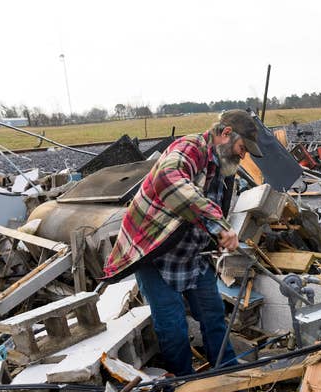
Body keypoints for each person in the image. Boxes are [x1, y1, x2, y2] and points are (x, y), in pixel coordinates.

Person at [102, 109, 263, 376]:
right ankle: (184, 382)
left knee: (213, 316)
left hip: (189, 255)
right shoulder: (189, 148)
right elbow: (169, 181)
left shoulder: (223, 170)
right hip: (154, 253)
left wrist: (216, 236)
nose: (243, 155)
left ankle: (229, 375)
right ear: (225, 134)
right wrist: (217, 224)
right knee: (172, 326)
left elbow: (205, 210)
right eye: (242, 147)